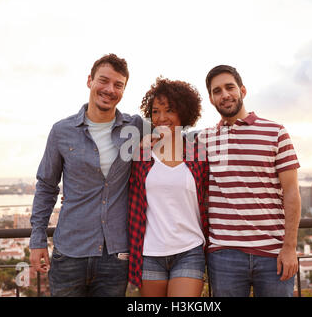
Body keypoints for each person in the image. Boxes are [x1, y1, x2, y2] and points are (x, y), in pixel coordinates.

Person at [29, 53, 144, 297]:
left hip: (115, 257)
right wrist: (37, 239)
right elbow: (47, 187)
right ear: (90, 80)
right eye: (103, 80)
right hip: (70, 252)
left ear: (124, 90)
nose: (110, 89)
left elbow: (175, 128)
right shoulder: (62, 131)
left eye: (118, 85)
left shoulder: (134, 128)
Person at [202, 65, 301, 297]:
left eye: (230, 87)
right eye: (217, 91)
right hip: (223, 256)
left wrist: (290, 248)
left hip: (273, 254)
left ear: (243, 90)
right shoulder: (203, 139)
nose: (224, 95)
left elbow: (291, 193)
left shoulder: (276, 132)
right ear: (211, 99)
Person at [128, 77, 209, 297]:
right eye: (155, 111)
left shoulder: (199, 154)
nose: (162, 118)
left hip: (189, 250)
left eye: (169, 110)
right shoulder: (141, 156)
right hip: (149, 253)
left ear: (184, 113)